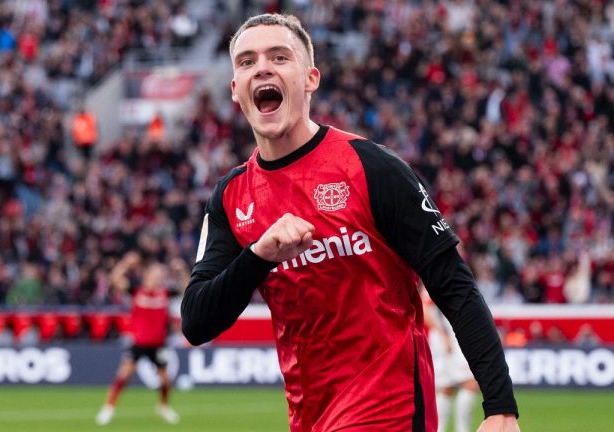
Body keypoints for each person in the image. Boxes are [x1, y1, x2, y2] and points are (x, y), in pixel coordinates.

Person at [180, 13, 519, 432]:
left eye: (279, 57)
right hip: (310, 415)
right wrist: (259, 256)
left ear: (310, 79)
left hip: (388, 408)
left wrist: (500, 406)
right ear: (235, 90)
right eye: (247, 62)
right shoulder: (231, 197)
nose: (262, 67)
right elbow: (196, 321)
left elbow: (453, 283)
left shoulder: (372, 167)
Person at [95, 262, 179, 425]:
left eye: (160, 275)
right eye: (155, 274)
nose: (158, 277)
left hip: (158, 344)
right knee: (124, 375)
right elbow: (114, 279)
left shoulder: (165, 293)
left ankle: (163, 407)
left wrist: (181, 269)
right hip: (139, 343)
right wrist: (126, 263)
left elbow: (187, 286)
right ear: (148, 275)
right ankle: (108, 408)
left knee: (165, 380)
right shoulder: (136, 290)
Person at [422, 287, 479, 432]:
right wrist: (442, 334)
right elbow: (425, 307)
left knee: (448, 387)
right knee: (468, 383)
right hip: (446, 338)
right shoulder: (434, 276)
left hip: (452, 336)